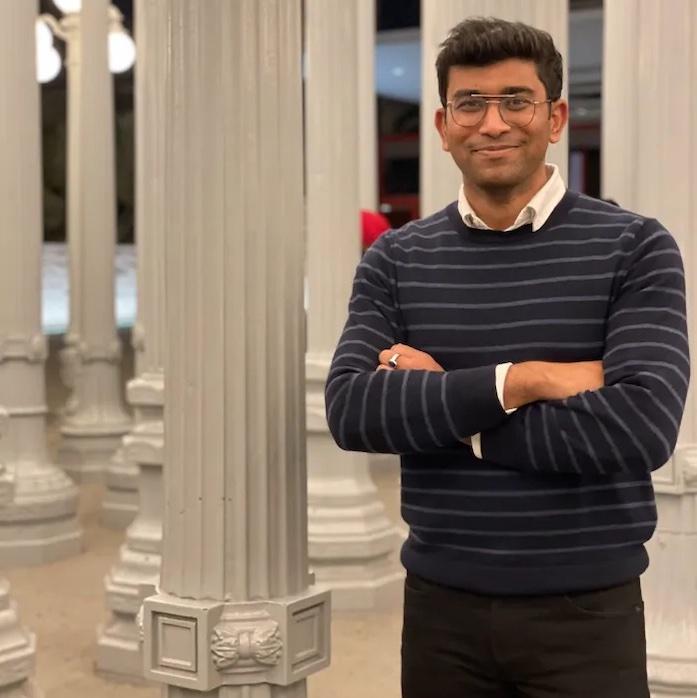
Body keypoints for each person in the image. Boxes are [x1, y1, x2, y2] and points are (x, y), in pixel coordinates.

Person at [325, 16, 689, 698]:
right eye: (470, 104)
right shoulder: (395, 259)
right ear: (442, 124)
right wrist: (523, 380)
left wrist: (447, 406)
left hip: (587, 613)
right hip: (440, 611)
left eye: (515, 101)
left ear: (553, 117)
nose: (492, 123)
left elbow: (639, 427)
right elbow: (352, 411)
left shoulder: (634, 247)